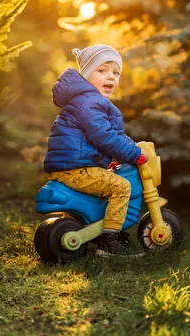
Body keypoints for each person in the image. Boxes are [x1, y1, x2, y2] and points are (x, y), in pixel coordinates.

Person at [43, 44, 148, 255]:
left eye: (116, 72)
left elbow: (111, 136)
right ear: (86, 75)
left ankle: (101, 227)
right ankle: (110, 240)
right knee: (121, 187)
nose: (111, 77)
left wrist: (131, 146)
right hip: (77, 168)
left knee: (113, 179)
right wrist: (134, 154)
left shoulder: (88, 100)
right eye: (102, 71)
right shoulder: (90, 102)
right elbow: (105, 137)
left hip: (75, 165)